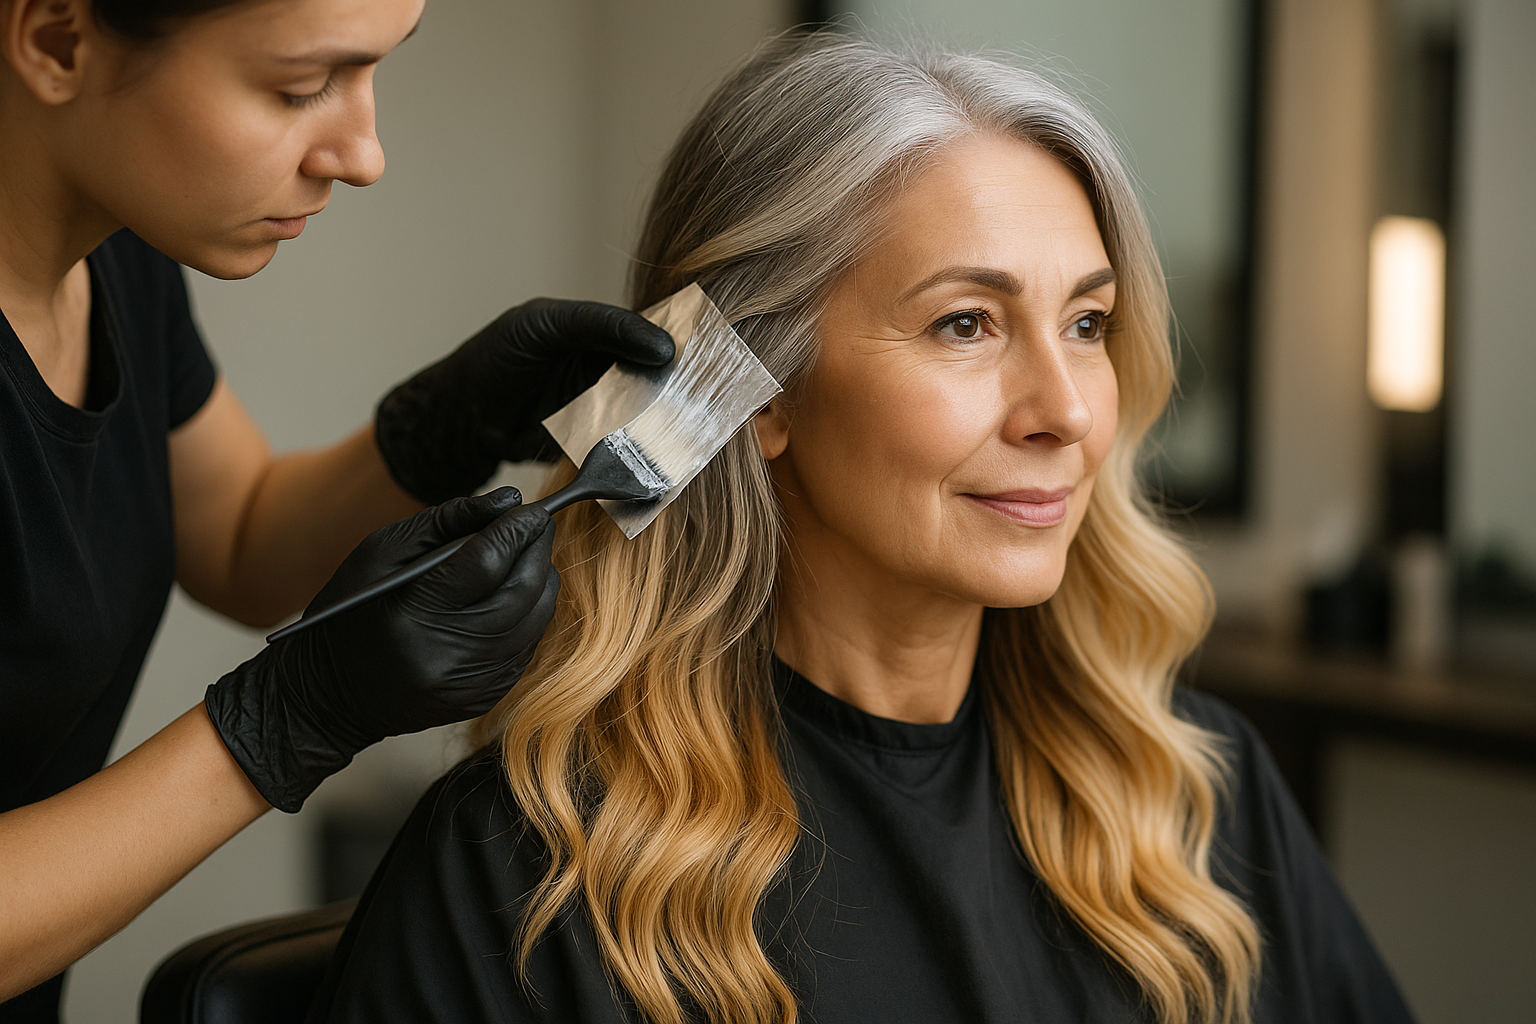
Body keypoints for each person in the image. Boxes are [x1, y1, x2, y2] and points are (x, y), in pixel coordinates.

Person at [311, 32, 1416, 1024]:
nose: (1069, 412)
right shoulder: (524, 872)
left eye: (1088, 323)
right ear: (758, 394)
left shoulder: (1195, 796)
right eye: (966, 324)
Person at [0, 0, 675, 1018]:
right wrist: (287, 719)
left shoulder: (111, 253)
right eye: (300, 86)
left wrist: (438, 428)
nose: (364, 155)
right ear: (58, 40)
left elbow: (240, 540)